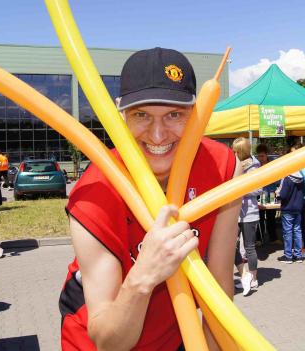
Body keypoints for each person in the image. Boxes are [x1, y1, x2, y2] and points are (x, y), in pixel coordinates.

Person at [59, 47, 242, 350]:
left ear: (196, 114)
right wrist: (145, 274)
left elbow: (219, 290)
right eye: (141, 115)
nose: (158, 135)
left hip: (175, 334)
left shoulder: (222, 167)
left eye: (174, 115)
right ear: (120, 114)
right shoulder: (93, 194)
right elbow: (108, 341)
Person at [232, 137, 262, 296]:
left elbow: (258, 190)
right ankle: (244, 275)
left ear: (242, 151)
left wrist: (241, 190)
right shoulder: (235, 166)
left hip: (249, 213)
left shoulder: (254, 167)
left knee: (249, 247)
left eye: (236, 150)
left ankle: (254, 278)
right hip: (234, 214)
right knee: (230, 245)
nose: (233, 153)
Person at [278, 165, 305, 264]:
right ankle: (298, 255)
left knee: (288, 232)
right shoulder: (302, 178)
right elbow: (304, 192)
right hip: (298, 208)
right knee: (297, 231)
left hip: (288, 208)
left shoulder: (287, 178)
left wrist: (278, 195)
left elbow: (283, 195)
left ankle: (288, 256)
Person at [255, 143, 279, 242]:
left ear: (266, 155)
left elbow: (277, 179)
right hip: (260, 194)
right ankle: (259, 239)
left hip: (271, 193)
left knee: (271, 217)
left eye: (262, 156)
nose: (261, 158)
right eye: (259, 156)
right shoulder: (256, 166)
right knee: (260, 217)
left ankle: (273, 238)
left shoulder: (272, 165)